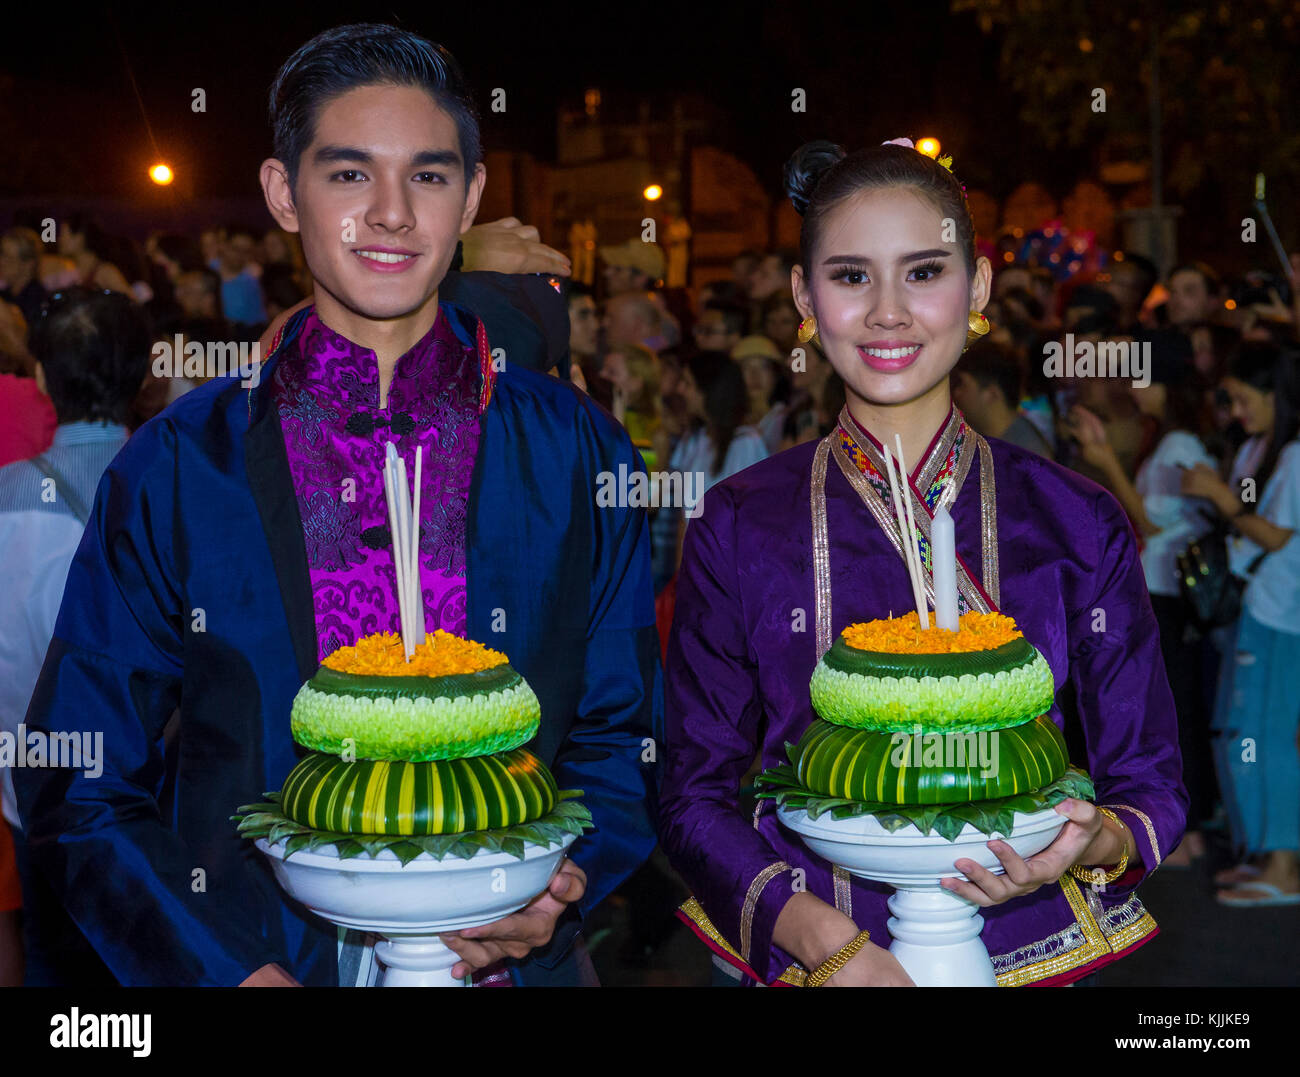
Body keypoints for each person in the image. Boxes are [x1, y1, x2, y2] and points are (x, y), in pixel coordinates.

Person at [17, 22, 660, 988]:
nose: (391, 214)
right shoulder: (182, 465)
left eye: (430, 177)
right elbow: (79, 775)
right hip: (258, 955)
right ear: (284, 193)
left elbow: (624, 735)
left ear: (472, 197)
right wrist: (218, 969)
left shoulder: (576, 451)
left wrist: (558, 887)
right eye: (349, 175)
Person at [659, 138, 1186, 987]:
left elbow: (1149, 776)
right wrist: (825, 941)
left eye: (925, 271)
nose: (889, 312)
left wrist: (1100, 839)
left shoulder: (1077, 518)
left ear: (976, 288)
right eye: (852, 275)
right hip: (810, 949)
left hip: (1029, 946)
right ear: (804, 296)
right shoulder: (740, 520)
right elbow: (691, 791)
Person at [0, 288, 149, 987]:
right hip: (155, 803)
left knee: (52, 964)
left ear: (42, 378)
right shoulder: (174, 482)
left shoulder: (5, 498)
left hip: (35, 792)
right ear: (145, 373)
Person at [1065, 331, 1218, 866]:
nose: (1133, 383)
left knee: (1177, 712)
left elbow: (1151, 520)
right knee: (1173, 708)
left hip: (1169, 592)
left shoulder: (1179, 445)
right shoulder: (1165, 438)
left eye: (1143, 372)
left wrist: (1105, 461)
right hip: (1157, 587)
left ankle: (1187, 832)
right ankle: (1184, 832)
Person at [1180, 343, 1300, 907]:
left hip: (1283, 616)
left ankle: (1285, 867)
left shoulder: (1296, 455)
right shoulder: (1261, 449)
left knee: (1265, 738)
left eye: (1245, 399)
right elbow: (1254, 524)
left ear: (1278, 395)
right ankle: (1263, 857)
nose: (1237, 410)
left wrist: (1220, 497)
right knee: (1240, 733)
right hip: (1257, 608)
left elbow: (1279, 536)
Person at [950, 338, 1052, 457]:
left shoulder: (1023, 456)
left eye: (962, 384)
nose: (956, 393)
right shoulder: (992, 442)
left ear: (992, 394)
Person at [0, 227, 50, 326]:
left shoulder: (37, 302)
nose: (1, 262)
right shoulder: (5, 295)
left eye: (8, 258)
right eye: (1, 254)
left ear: (28, 264)